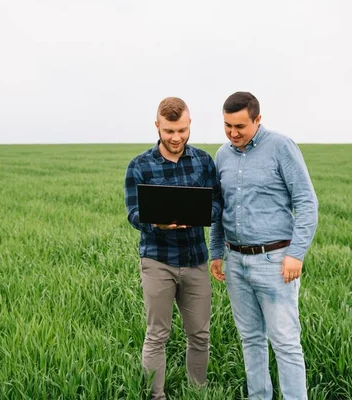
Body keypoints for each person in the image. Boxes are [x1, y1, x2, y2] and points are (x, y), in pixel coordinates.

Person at [209, 92, 319, 400]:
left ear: (258, 119)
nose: (233, 133)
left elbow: (307, 202)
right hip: (235, 260)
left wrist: (296, 254)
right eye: (227, 125)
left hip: (275, 261)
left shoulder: (281, 147)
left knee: (285, 341)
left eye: (240, 126)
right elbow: (220, 207)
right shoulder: (222, 155)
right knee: (250, 339)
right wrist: (216, 252)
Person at [124, 97, 222, 399]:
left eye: (181, 130)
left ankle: (197, 391)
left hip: (195, 260)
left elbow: (218, 203)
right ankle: (157, 396)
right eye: (169, 131)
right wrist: (159, 223)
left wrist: (201, 214)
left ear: (189, 124)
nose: (176, 137)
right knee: (157, 334)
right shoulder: (139, 165)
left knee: (200, 335)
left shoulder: (204, 161)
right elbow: (133, 213)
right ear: (157, 127)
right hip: (157, 260)